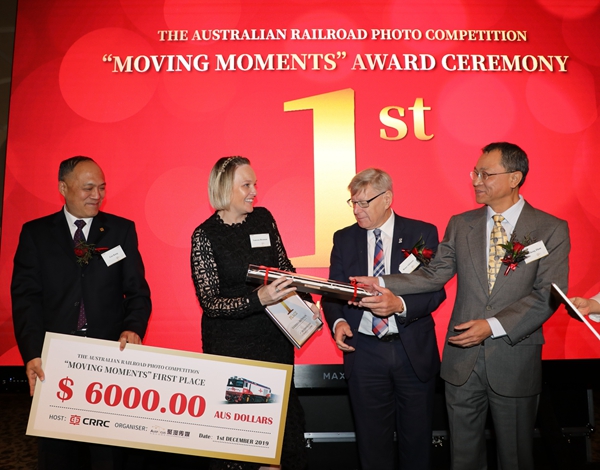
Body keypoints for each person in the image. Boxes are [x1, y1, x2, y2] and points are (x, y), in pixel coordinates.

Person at [353, 142, 570, 470]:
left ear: (514, 178)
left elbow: (548, 296)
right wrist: (382, 281)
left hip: (514, 360)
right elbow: (434, 274)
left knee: (515, 458)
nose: (476, 181)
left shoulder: (550, 228)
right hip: (461, 362)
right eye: (475, 173)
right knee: (463, 458)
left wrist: (492, 326)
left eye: (485, 174)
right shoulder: (461, 223)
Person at [11, 156, 152, 469]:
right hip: (55, 359)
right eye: (88, 188)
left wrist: (132, 327)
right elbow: (26, 299)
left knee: (107, 455)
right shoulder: (36, 233)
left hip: (108, 357)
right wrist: (32, 352)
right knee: (58, 455)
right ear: (63, 188)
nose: (97, 195)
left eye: (102, 188)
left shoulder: (120, 230)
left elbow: (138, 292)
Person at [191, 156, 316, 470]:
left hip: (274, 342)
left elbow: (284, 268)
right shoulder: (204, 235)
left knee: (281, 436)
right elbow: (210, 302)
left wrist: (306, 301)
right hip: (232, 349)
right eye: (246, 185)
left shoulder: (264, 219)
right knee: (244, 439)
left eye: (254, 184)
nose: (254, 191)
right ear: (224, 189)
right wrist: (256, 299)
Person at [321, 168, 446, 470]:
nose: (356, 210)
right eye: (353, 203)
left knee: (417, 444)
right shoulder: (344, 238)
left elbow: (435, 291)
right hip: (364, 352)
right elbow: (332, 293)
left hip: (411, 350)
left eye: (364, 203)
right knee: (372, 445)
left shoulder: (421, 233)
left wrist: (398, 304)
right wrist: (338, 323)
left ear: (387, 198)